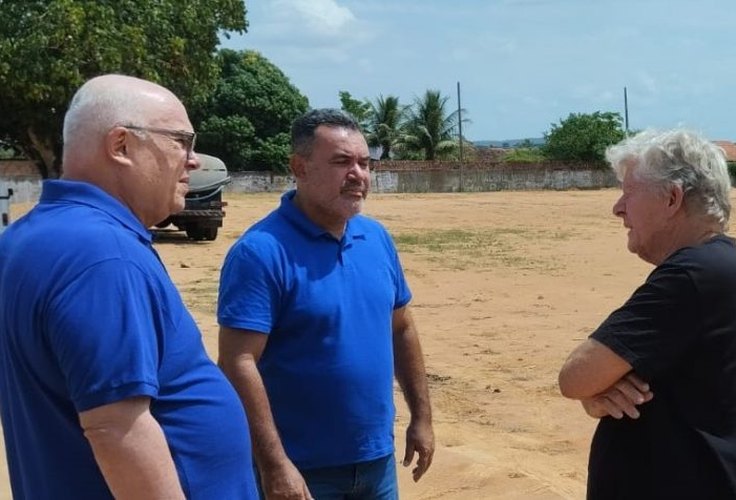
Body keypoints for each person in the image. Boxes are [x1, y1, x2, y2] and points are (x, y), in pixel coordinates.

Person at [0, 74, 258, 499]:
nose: (194, 160)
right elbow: (116, 428)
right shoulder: (103, 255)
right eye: (182, 141)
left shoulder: (29, 236)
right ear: (121, 145)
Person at [218, 108, 435, 499]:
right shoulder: (260, 252)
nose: (358, 174)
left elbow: (401, 326)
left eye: (365, 163)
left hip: (376, 463)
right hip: (302, 469)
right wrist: (274, 464)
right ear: (299, 167)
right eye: (341, 162)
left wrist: (422, 418)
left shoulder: (376, 239)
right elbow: (238, 361)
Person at [558, 129, 736, 498]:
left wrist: (593, 390)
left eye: (629, 193)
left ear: (672, 198)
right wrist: (598, 393)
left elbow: (575, 376)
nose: (618, 207)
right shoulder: (724, 264)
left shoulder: (689, 277)